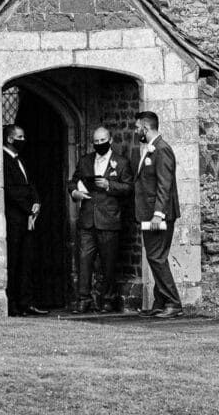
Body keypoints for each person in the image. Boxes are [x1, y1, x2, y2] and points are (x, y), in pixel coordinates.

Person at [68, 125, 133, 313]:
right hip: (87, 218)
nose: (99, 144)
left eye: (102, 141)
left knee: (108, 262)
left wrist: (108, 185)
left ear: (110, 141)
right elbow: (74, 180)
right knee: (84, 260)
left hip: (109, 219)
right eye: (95, 142)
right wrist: (75, 192)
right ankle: (83, 299)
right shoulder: (85, 160)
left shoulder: (121, 162)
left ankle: (108, 299)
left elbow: (128, 188)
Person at [133, 110, 183, 319]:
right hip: (149, 213)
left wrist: (158, 214)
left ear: (145, 127)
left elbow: (165, 184)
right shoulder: (150, 149)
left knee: (156, 257)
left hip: (158, 215)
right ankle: (160, 302)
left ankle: (173, 302)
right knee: (155, 257)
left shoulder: (162, 149)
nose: (136, 131)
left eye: (137, 128)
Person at [2, 123, 48, 318]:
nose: (23, 140)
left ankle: (26, 302)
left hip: (27, 220)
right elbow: (12, 191)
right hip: (14, 221)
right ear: (10, 139)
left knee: (26, 262)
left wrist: (36, 202)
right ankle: (12, 304)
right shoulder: (3, 160)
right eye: (19, 137)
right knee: (14, 263)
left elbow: (29, 185)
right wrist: (28, 208)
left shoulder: (20, 160)